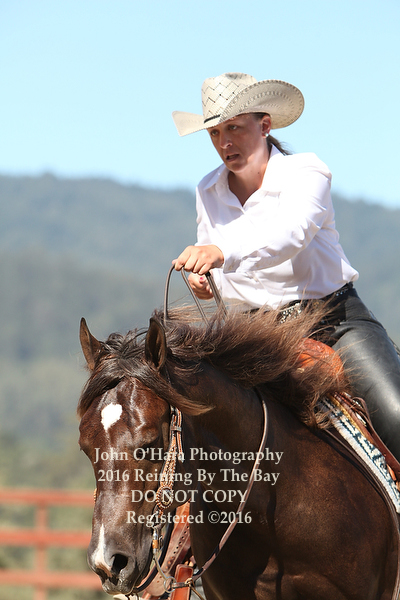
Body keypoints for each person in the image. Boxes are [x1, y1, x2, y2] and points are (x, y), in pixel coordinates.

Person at [171, 72, 400, 462]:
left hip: (333, 323)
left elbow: (289, 235)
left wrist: (219, 252)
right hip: (255, 336)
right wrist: (207, 284)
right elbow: (221, 270)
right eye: (214, 133)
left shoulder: (307, 173)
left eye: (234, 128)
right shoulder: (206, 190)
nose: (224, 142)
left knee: (395, 415)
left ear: (265, 126)